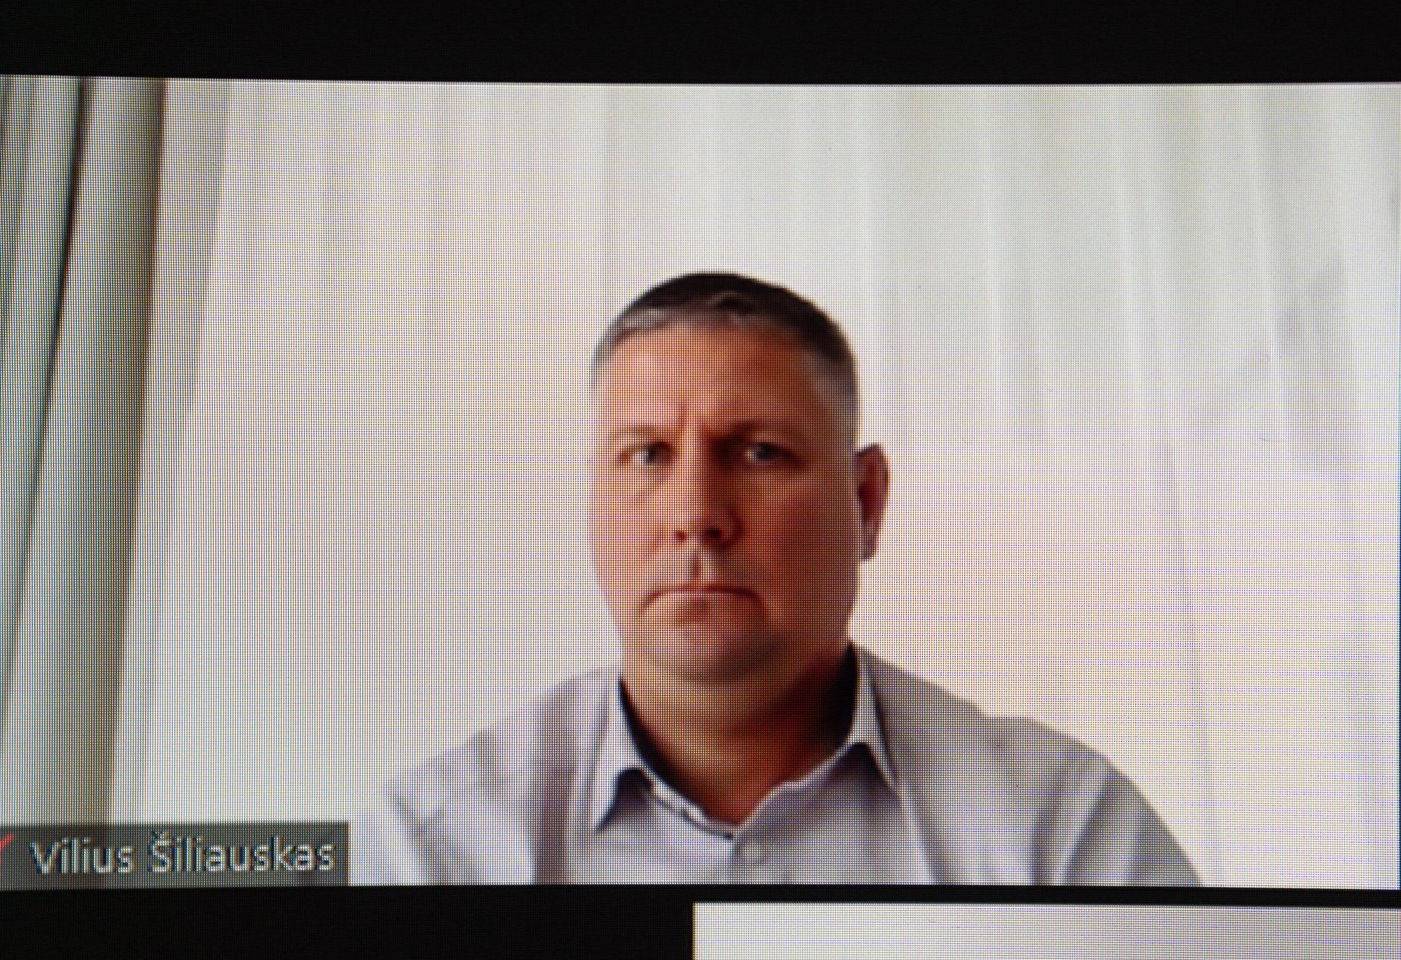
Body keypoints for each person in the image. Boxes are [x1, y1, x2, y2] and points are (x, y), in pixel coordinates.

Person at [352, 273, 1200, 884]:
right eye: (646, 456)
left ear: (865, 503)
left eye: (759, 452)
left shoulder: (1064, 835)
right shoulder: (428, 850)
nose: (696, 515)